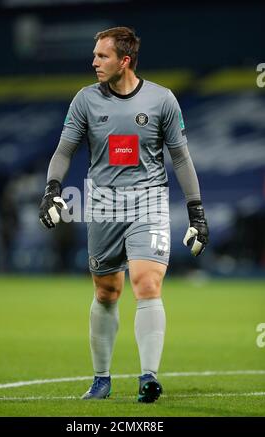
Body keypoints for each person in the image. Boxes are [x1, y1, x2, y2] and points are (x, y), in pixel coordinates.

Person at [39, 27, 209, 403]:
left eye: (102, 56)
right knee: (106, 291)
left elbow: (180, 157)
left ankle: (148, 377)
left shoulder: (162, 100)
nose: (94, 62)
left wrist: (196, 211)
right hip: (102, 205)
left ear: (125, 60)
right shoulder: (85, 100)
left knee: (147, 284)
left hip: (148, 203)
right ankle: (101, 379)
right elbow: (64, 150)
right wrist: (52, 189)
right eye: (95, 55)